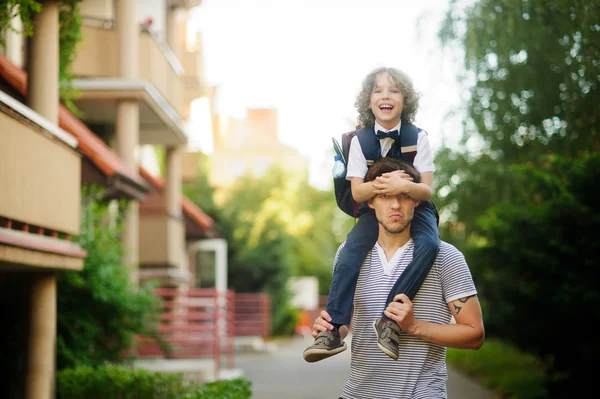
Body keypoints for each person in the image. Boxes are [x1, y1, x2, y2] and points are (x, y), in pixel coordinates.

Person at [314, 157, 484, 399]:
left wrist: (414, 326)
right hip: (357, 393)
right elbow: (350, 325)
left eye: (403, 194)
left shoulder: (446, 257)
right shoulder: (348, 255)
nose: (395, 205)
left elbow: (475, 334)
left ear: (416, 199)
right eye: (385, 195)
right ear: (370, 200)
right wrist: (332, 330)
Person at [304, 67, 440, 362]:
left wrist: (406, 186)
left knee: (430, 245)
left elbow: (427, 190)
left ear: (406, 100)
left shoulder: (419, 137)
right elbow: (357, 193)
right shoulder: (359, 141)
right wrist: (383, 185)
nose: (386, 96)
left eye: (394, 90)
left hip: (416, 206)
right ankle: (333, 329)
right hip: (375, 210)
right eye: (378, 90)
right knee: (351, 251)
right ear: (368, 100)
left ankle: (389, 320)